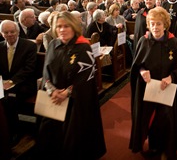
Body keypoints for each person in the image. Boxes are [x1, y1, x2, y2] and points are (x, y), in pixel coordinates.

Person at [36, 11, 106, 159]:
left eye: (66, 26)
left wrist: (66, 93)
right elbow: (46, 70)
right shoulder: (53, 44)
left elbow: (85, 77)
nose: (62, 29)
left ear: (74, 27)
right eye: (59, 26)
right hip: (53, 98)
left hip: (76, 100)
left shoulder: (83, 47)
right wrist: (51, 90)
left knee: (73, 139)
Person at [129, 7, 177, 159]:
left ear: (165, 25)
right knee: (149, 118)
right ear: (148, 25)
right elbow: (136, 65)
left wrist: (171, 77)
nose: (155, 27)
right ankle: (154, 146)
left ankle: (168, 149)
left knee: (166, 119)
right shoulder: (144, 41)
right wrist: (142, 71)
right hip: (148, 88)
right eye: (152, 23)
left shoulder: (173, 43)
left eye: (158, 24)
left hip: (167, 89)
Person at [0, 20, 37, 146]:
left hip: (23, 84)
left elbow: (29, 69)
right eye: (6, 32)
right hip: (3, 84)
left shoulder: (29, 46)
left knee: (7, 100)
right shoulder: (0, 46)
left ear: (18, 32)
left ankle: (14, 132)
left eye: (12, 31)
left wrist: (11, 82)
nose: (10, 34)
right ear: (1, 33)